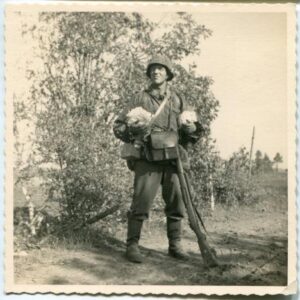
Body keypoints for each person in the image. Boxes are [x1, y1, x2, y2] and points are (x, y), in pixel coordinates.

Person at [113, 54, 203, 263]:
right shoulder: (139, 98)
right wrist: (131, 128)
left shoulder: (178, 99)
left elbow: (194, 130)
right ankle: (132, 245)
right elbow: (118, 126)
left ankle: (175, 245)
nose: (156, 72)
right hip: (147, 157)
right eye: (153, 69)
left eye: (161, 69)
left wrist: (191, 128)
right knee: (141, 201)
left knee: (177, 202)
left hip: (174, 159)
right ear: (149, 73)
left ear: (168, 73)